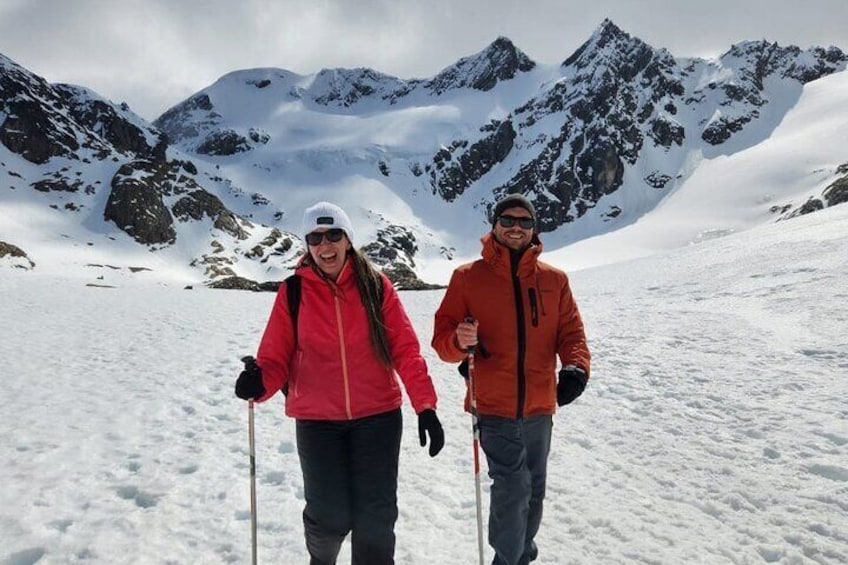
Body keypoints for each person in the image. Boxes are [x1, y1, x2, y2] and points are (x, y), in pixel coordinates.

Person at [235, 201, 445, 565]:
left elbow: (405, 349)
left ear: (348, 240)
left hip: (378, 416)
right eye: (315, 237)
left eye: (333, 234)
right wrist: (259, 382)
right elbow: (275, 356)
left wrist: (425, 406)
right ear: (307, 245)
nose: (325, 245)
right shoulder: (294, 292)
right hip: (318, 421)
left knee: (376, 517)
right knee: (328, 514)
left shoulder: (375, 287)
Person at [431, 194, 590, 565]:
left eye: (524, 221)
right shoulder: (467, 278)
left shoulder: (555, 281)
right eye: (507, 220)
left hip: (539, 404)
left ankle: (520, 553)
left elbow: (571, 334)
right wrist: (459, 341)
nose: (516, 227)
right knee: (512, 487)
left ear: (534, 228)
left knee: (534, 489)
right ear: (494, 226)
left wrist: (575, 368)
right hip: (492, 404)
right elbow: (442, 341)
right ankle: (508, 558)